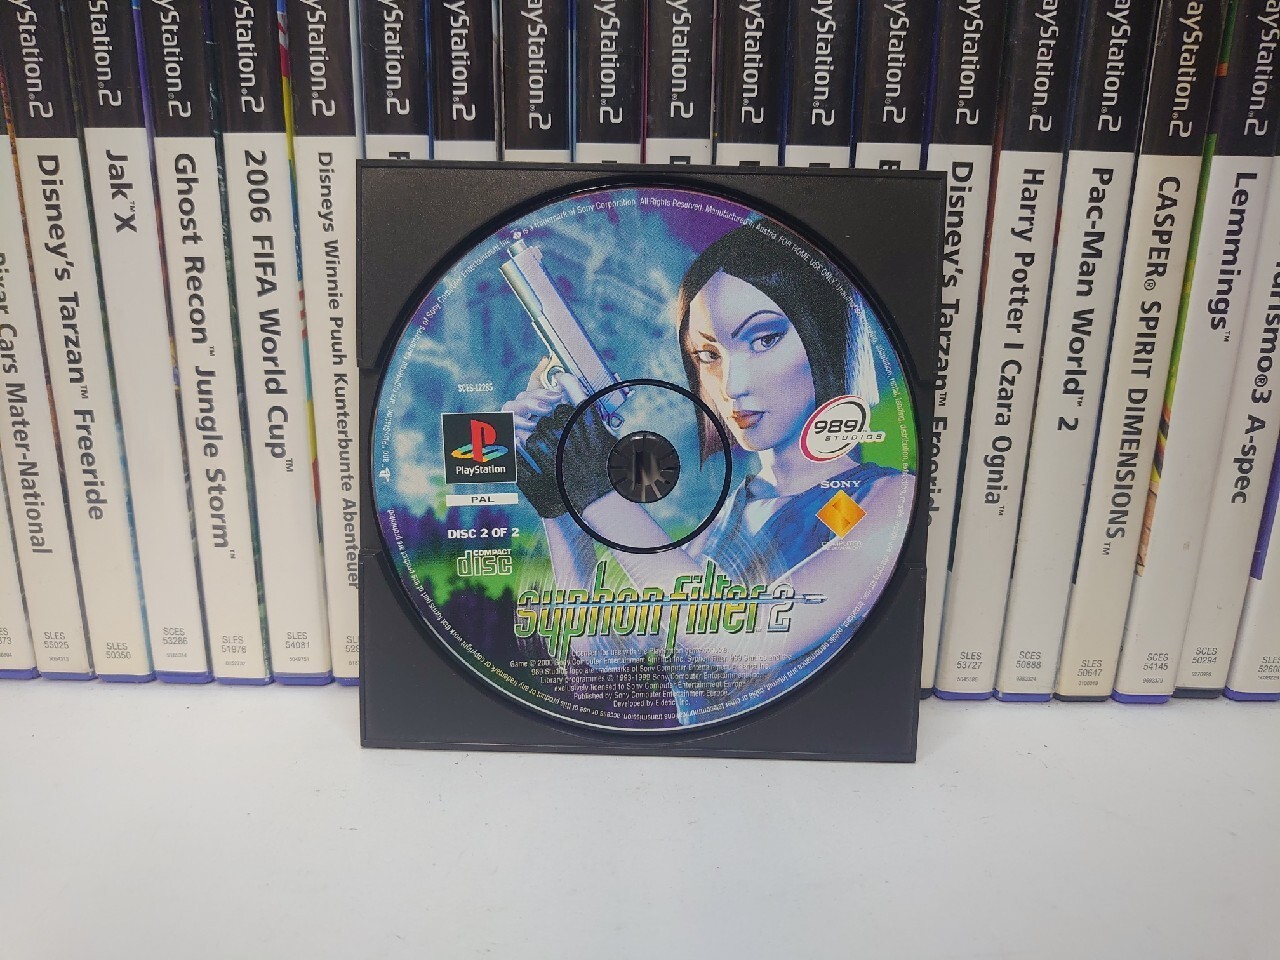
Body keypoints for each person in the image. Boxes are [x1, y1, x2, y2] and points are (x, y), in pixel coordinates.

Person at [504, 222, 913, 723]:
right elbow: (600, 651)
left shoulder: (887, 500)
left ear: (825, 336)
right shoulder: (731, 515)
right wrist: (559, 501)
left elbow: (753, 641)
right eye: (709, 355)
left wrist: (598, 494)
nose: (731, 384)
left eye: (764, 339)